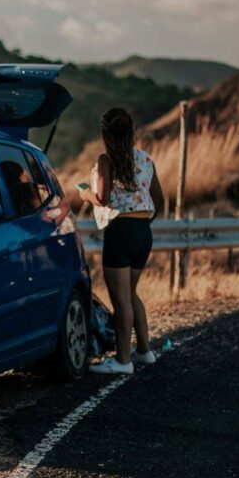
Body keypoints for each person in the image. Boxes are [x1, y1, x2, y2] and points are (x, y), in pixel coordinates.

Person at [79, 108, 164, 375]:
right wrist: (142, 225)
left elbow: (102, 198)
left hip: (120, 231)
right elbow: (158, 199)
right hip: (142, 231)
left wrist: (84, 194)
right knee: (132, 294)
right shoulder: (145, 159)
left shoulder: (106, 160)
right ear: (131, 131)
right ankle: (145, 351)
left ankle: (123, 360)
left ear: (105, 134)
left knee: (121, 299)